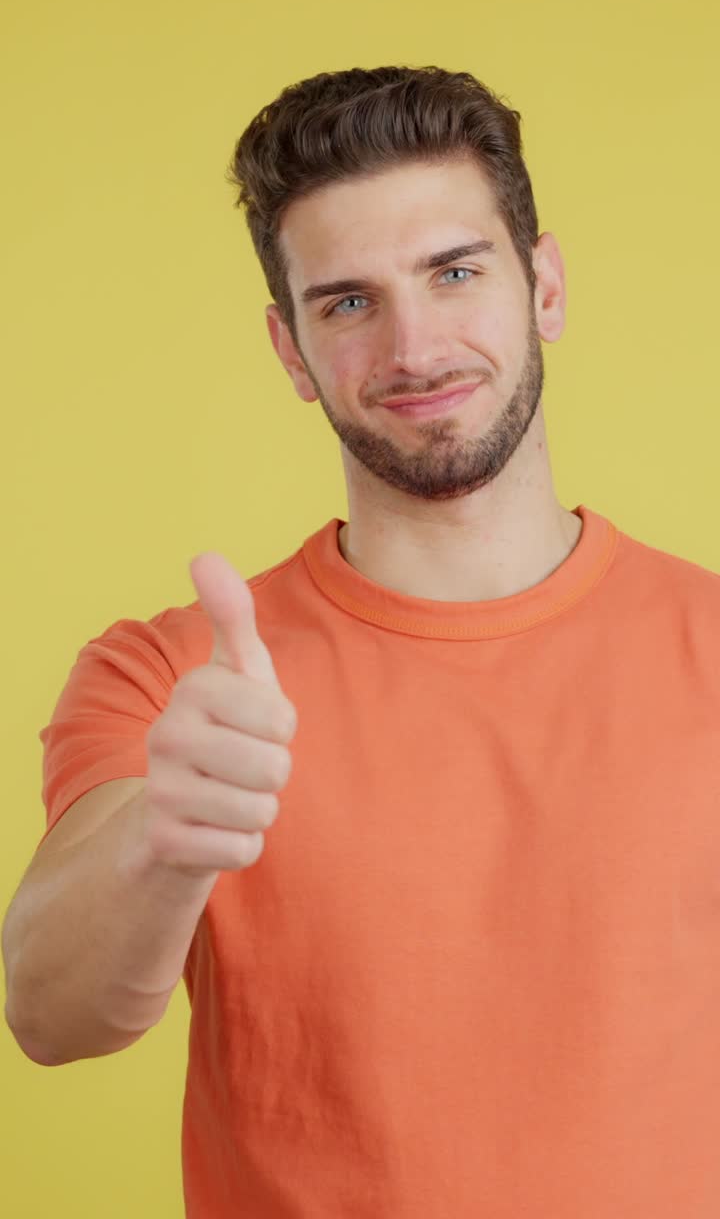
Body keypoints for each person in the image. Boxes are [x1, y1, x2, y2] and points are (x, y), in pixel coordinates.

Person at [3, 64, 720, 1218]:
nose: (415, 345)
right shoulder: (179, 683)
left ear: (542, 285)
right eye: (347, 302)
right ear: (290, 351)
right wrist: (164, 844)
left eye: (454, 272)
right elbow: (48, 1010)